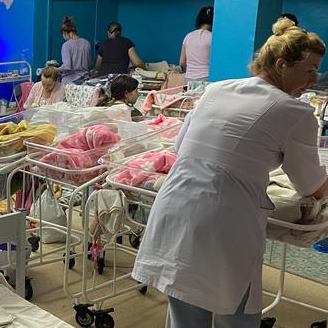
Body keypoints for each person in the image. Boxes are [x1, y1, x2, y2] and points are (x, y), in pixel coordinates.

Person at [132, 17, 328, 328]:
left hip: (177, 206)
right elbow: (313, 185)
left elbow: (182, 147)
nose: (314, 79)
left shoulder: (217, 89)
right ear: (281, 65)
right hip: (224, 222)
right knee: (235, 312)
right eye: (310, 71)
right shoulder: (295, 112)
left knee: (185, 309)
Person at [179, 6, 213, 81]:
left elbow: (182, 63)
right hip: (206, 79)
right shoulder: (213, 37)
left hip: (189, 79)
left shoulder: (188, 36)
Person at [59, 17, 91, 84]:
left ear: (67, 33)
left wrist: (54, 69)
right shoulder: (86, 43)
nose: (64, 37)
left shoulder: (66, 45)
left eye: (63, 35)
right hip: (85, 80)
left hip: (70, 82)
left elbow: (67, 66)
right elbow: (89, 65)